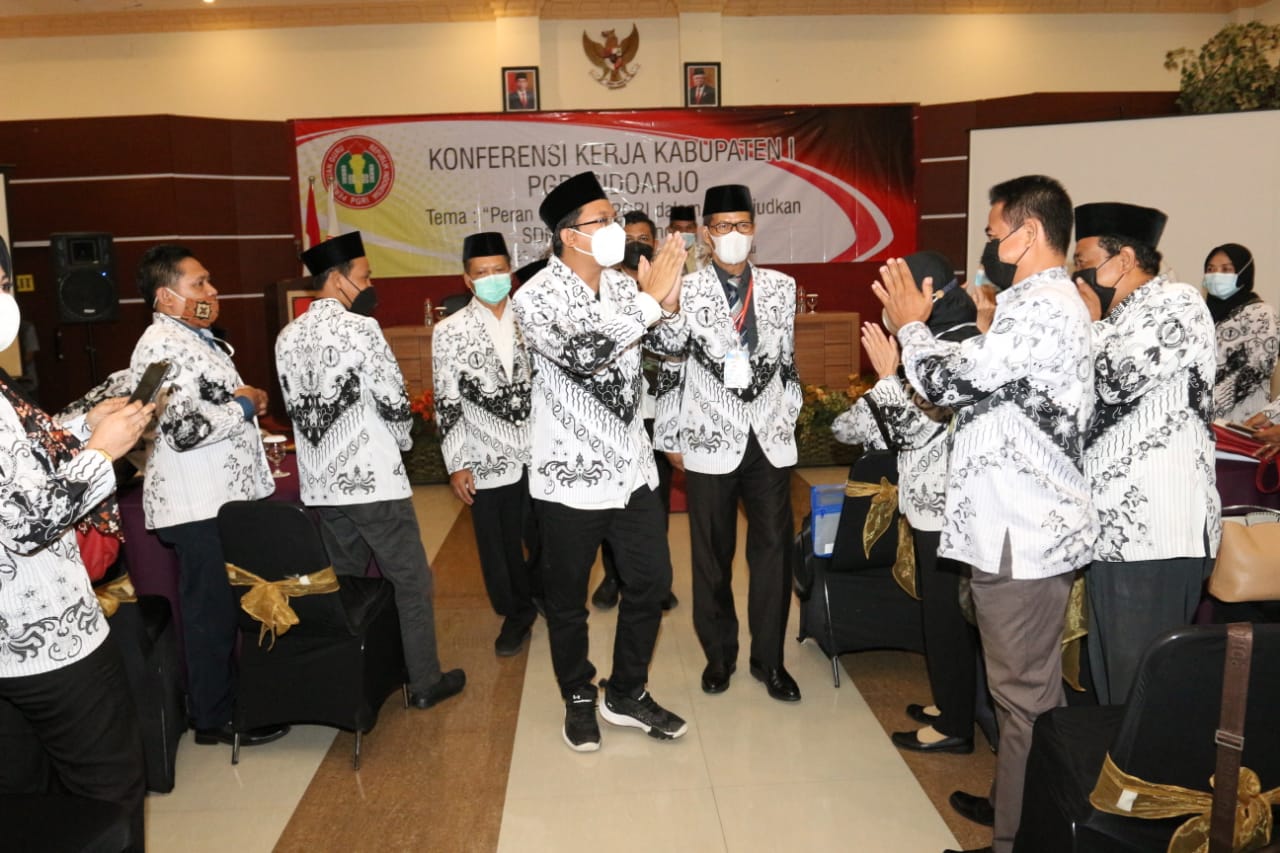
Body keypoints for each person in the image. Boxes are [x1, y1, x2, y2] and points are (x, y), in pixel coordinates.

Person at [876, 175, 1094, 853]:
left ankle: (1015, 840)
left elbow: (948, 381)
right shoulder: (1034, 305)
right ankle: (1015, 812)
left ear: (1028, 234)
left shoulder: (1044, 307)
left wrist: (911, 326)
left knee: (1023, 701)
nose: (990, 246)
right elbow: (976, 385)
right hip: (1014, 527)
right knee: (1026, 696)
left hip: (1021, 535)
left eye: (996, 233)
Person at [510, 170, 689, 752]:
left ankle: (627, 691)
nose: (616, 228)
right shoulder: (534, 296)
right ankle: (579, 694)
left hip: (633, 471)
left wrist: (670, 305)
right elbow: (584, 354)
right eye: (603, 220)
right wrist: (649, 303)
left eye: (615, 217)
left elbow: (671, 348)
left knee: (651, 583)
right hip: (569, 477)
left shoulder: (622, 286)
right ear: (569, 235)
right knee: (567, 602)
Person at [0, 237, 151, 849]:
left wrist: (80, 426)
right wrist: (100, 453)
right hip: (48, 638)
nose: (5, 300)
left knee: (22, 798)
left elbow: (17, 457)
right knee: (108, 795)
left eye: (4, 285)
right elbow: (26, 523)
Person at [276, 231, 466, 709]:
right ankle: (424, 682)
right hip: (373, 482)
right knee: (411, 582)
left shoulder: (287, 336)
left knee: (346, 583)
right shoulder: (361, 329)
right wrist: (401, 443)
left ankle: (347, 679)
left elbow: (295, 408)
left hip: (323, 485)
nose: (369, 285)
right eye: (363, 276)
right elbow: (394, 401)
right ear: (338, 279)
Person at [130, 244, 288, 748]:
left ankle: (230, 702)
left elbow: (212, 402)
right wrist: (244, 407)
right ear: (166, 296)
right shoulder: (160, 345)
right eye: (198, 283)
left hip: (222, 498)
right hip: (197, 503)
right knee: (210, 614)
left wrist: (246, 399)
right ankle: (213, 718)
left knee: (225, 608)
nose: (211, 291)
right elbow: (184, 431)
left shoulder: (198, 339)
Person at [655, 183, 803, 703]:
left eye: (742, 225)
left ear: (754, 230)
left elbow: (788, 362)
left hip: (769, 440)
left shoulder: (782, 287)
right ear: (706, 234)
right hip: (708, 437)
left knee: (773, 553)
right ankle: (719, 657)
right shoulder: (687, 289)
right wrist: (669, 433)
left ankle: (770, 661)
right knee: (712, 556)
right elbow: (669, 359)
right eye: (722, 226)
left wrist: (789, 413)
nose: (733, 234)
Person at [833, 250, 985, 754]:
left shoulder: (954, 348)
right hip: (930, 507)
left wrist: (885, 377)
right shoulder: (938, 342)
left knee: (947, 619)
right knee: (941, 617)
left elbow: (904, 429)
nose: (889, 305)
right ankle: (952, 702)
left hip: (947, 511)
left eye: (896, 293)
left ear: (931, 295)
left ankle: (955, 727)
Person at [1072, 202, 1220, 705]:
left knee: (1140, 689)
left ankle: (1151, 762)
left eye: (1084, 261)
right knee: (1114, 685)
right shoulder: (1117, 318)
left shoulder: (1177, 302)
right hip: (1112, 530)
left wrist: (1090, 324)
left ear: (1123, 260)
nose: (1077, 275)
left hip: (1155, 532)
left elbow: (1118, 380)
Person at [432, 231, 539, 656]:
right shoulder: (449, 330)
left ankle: (542, 593)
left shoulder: (533, 316)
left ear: (510, 273)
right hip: (485, 454)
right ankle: (515, 613)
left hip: (541, 449)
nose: (491, 278)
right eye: (481, 272)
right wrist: (456, 462)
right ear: (467, 279)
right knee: (498, 544)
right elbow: (446, 400)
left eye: (498, 270)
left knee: (548, 534)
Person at [591, 212, 679, 613]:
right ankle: (614, 576)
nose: (636, 244)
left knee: (653, 501)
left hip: (656, 411)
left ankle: (654, 574)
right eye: (628, 237)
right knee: (614, 501)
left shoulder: (667, 283)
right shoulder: (604, 288)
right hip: (618, 416)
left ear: (655, 243)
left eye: (644, 237)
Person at [1203, 242, 1279, 423]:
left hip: (1240, 421)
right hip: (1197, 421)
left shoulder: (1261, 313)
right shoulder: (1203, 316)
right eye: (1210, 269)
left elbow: (1256, 368)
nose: (1216, 275)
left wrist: (1204, 406)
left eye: (1226, 269)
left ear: (1243, 273)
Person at [667, 204, 702, 274]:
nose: (684, 232)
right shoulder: (662, 257)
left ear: (695, 229)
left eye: (689, 228)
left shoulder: (705, 256)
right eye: (678, 228)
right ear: (670, 229)